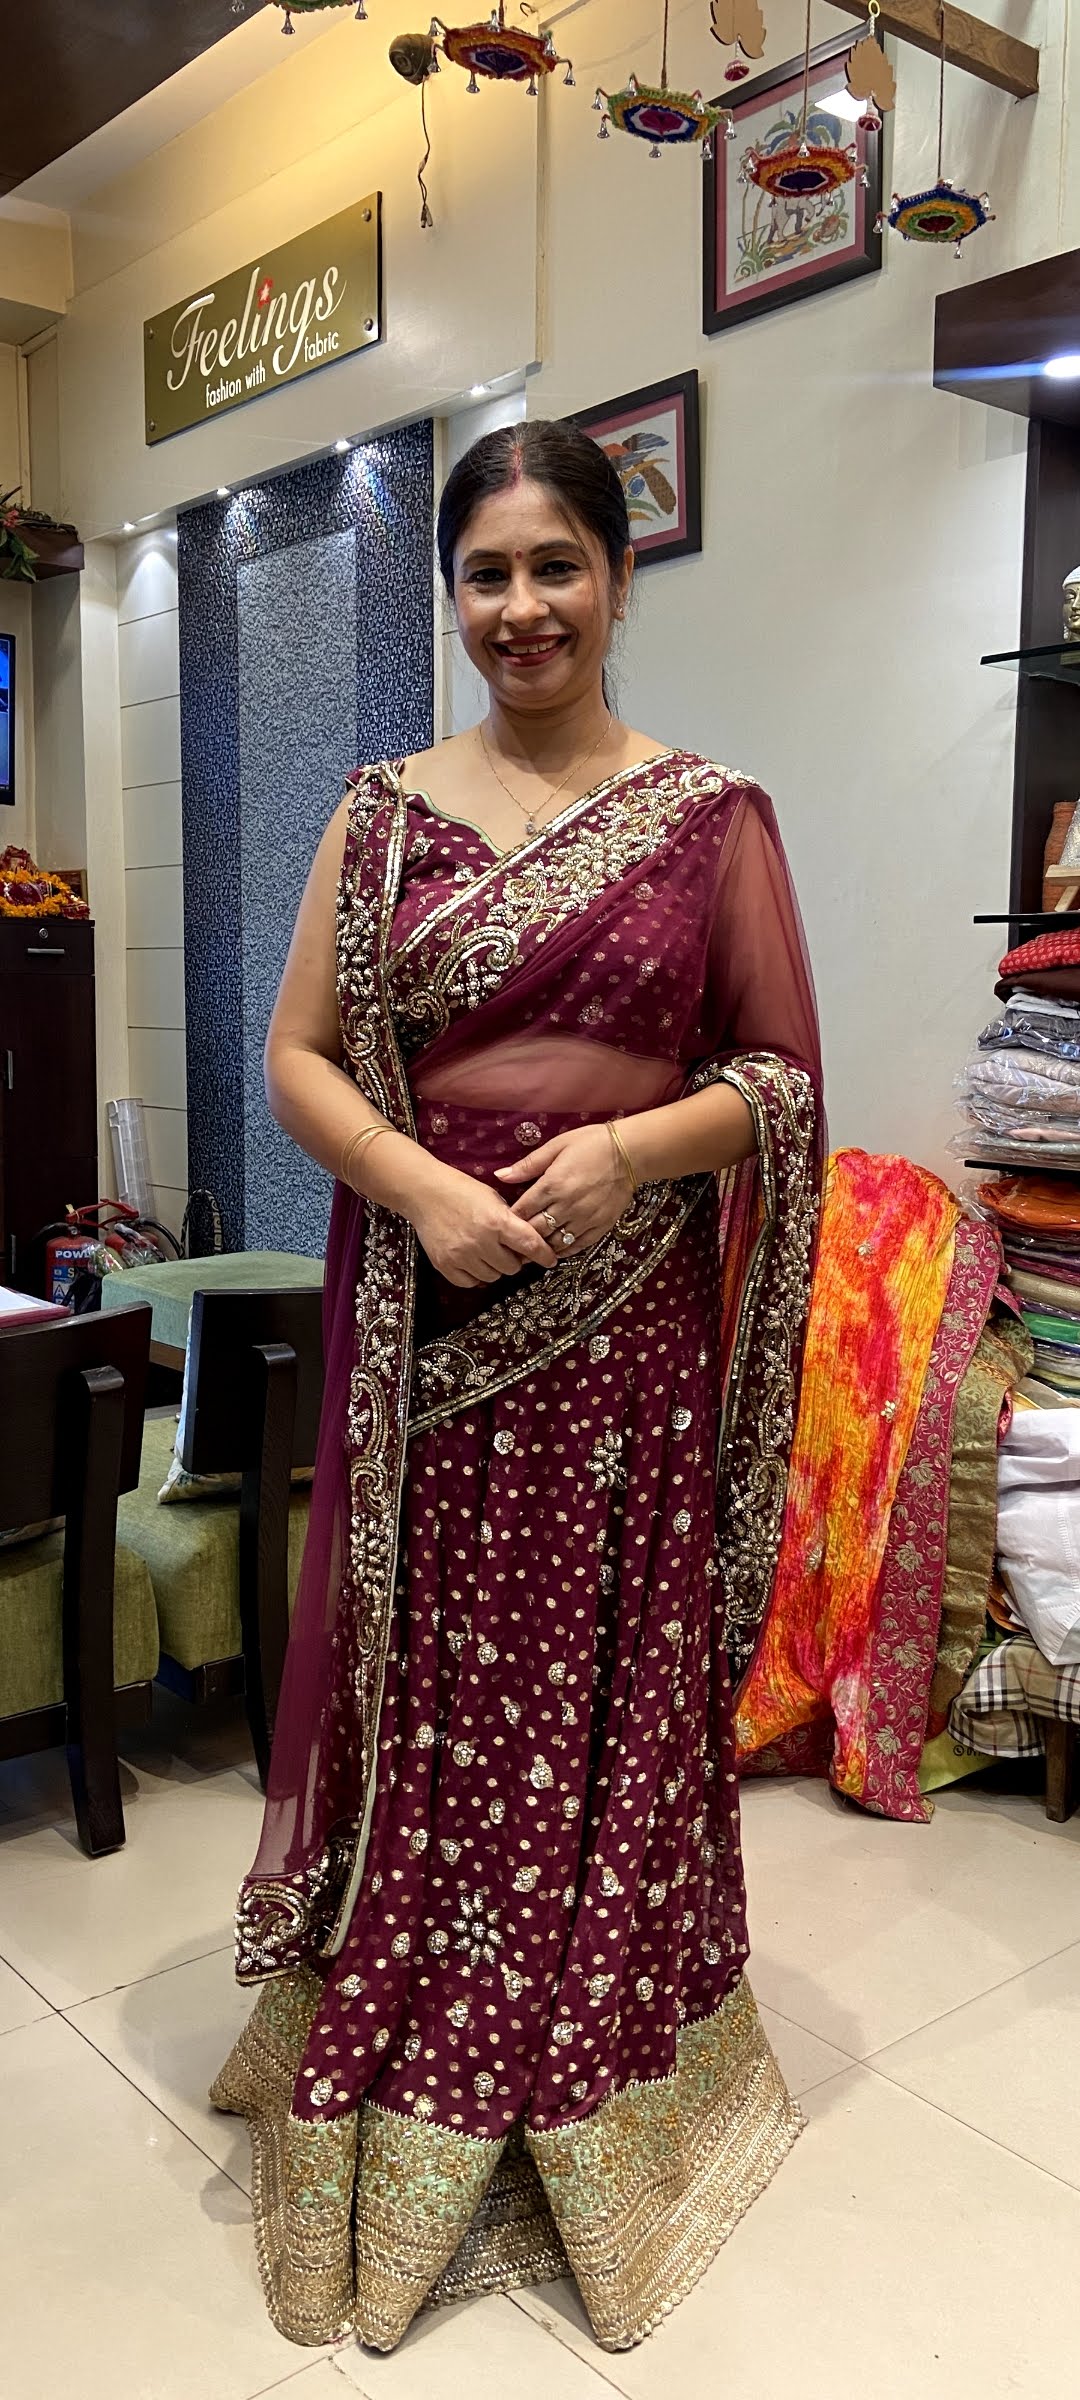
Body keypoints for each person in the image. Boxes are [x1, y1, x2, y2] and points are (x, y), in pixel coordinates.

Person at [212, 419, 824, 2354]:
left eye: (559, 565)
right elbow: (301, 1051)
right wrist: (416, 1190)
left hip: (625, 1353)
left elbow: (780, 1081)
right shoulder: (381, 815)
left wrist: (633, 1152)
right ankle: (421, 2028)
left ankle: (592, 2057)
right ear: (453, 596)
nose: (524, 607)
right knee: (441, 1692)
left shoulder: (712, 819)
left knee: (598, 1690)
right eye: (488, 573)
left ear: (622, 580)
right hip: (437, 1340)